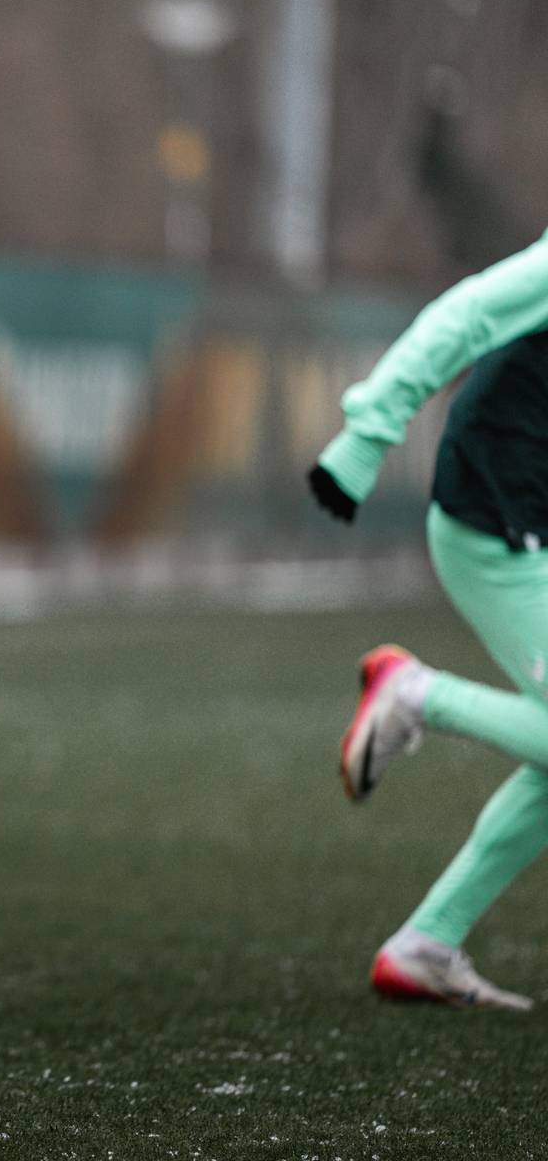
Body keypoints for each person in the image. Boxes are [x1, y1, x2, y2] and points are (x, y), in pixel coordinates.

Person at [310, 227, 548, 1011]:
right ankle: (412, 693)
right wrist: (367, 434)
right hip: (493, 531)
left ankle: (426, 945)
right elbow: (467, 315)